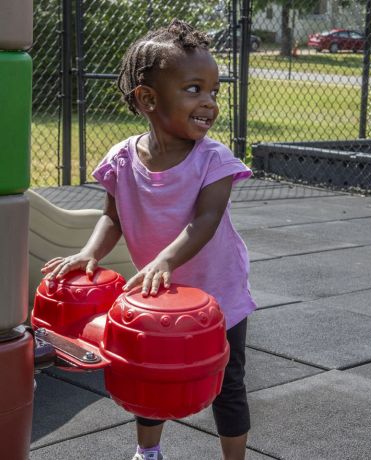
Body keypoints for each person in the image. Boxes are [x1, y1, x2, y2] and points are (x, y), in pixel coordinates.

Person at [41, 19, 256, 460]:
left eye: (214, 91)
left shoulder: (214, 159)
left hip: (221, 294)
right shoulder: (122, 159)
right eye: (194, 89)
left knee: (227, 384)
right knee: (148, 375)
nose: (210, 103)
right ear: (148, 98)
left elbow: (206, 219)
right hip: (157, 298)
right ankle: (148, 453)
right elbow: (112, 218)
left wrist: (163, 261)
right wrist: (88, 253)